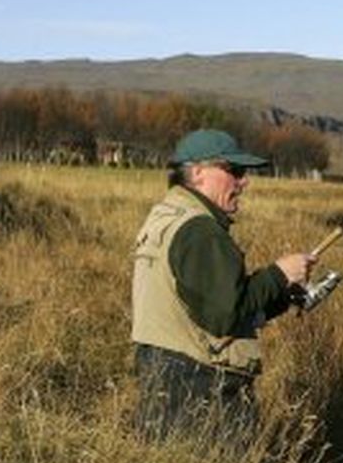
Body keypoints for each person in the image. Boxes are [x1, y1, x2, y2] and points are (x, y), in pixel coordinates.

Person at [131, 128, 316, 440]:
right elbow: (223, 316)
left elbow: (212, 304)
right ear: (199, 172)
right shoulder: (200, 231)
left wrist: (282, 296)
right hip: (199, 385)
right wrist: (279, 274)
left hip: (164, 373)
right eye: (234, 171)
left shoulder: (167, 214)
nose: (244, 181)